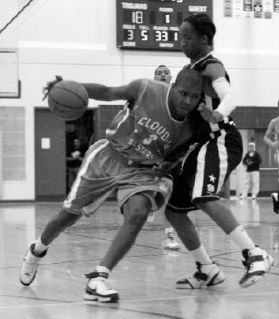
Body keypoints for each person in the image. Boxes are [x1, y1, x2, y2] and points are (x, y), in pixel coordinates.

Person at [19, 69, 204, 303]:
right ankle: (36, 251)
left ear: (200, 98)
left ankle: (99, 278)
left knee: (137, 214)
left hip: (142, 170)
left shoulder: (192, 126)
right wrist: (70, 84)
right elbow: (107, 92)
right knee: (68, 215)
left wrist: (166, 169)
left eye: (194, 96)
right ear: (174, 86)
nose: (187, 100)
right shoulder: (146, 89)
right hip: (108, 156)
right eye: (183, 93)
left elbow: (176, 156)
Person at [164, 13, 274, 289]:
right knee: (174, 211)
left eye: (187, 37)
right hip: (200, 145)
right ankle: (206, 269)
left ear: (204, 39)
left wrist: (217, 114)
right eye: (180, 37)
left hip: (221, 139)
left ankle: (255, 253)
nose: (182, 43)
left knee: (204, 195)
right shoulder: (189, 72)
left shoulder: (211, 65)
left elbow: (230, 97)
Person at [150, 64, 180, 250]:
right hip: (152, 149)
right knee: (162, 190)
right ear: (155, 78)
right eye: (158, 73)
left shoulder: (178, 96)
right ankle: (151, 202)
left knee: (169, 193)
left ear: (171, 77)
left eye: (165, 72)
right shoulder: (149, 97)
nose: (162, 75)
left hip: (174, 149)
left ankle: (169, 235)